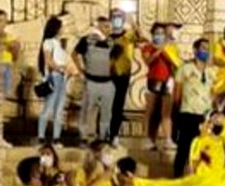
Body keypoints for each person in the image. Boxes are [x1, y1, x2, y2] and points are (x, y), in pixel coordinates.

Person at [172, 38, 217, 177]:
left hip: (205, 116)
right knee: (184, 148)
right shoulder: (184, 69)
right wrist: (175, 114)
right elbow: (177, 93)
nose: (206, 51)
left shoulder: (212, 72)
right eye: (203, 48)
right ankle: (177, 176)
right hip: (188, 113)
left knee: (202, 148)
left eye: (208, 49)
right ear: (195, 50)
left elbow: (214, 93)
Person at [73, 16, 116, 143]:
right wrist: (80, 70)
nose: (109, 29)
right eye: (106, 26)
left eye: (109, 27)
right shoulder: (86, 40)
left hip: (107, 82)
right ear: (98, 26)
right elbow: (74, 54)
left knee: (106, 112)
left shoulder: (112, 42)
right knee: (87, 109)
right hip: (91, 81)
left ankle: (103, 136)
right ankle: (85, 136)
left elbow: (115, 60)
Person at [141, 22, 177, 151]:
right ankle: (147, 138)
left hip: (167, 81)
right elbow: (148, 61)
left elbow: (175, 63)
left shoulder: (171, 48)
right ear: (152, 34)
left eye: (162, 33)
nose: (160, 35)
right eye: (157, 33)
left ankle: (168, 139)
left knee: (166, 112)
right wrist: (160, 50)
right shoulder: (148, 47)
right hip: (154, 80)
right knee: (151, 111)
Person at [37, 16, 71, 145]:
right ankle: (41, 137)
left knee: (59, 109)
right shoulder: (48, 42)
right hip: (54, 76)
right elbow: (48, 60)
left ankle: (56, 138)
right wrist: (60, 69)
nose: (63, 29)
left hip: (62, 77)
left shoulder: (59, 44)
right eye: (61, 27)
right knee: (49, 107)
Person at [107, 10, 137, 145]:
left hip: (123, 75)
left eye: (119, 16)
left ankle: (114, 134)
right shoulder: (106, 36)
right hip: (108, 74)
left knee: (118, 106)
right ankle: (103, 132)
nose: (117, 19)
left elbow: (140, 36)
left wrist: (133, 21)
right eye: (114, 17)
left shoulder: (128, 36)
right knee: (106, 105)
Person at [0, 9, 19, 98]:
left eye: (5, 21)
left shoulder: (10, 37)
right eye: (0, 20)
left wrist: (14, 48)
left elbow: (15, 57)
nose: (3, 24)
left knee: (6, 93)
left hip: (8, 65)